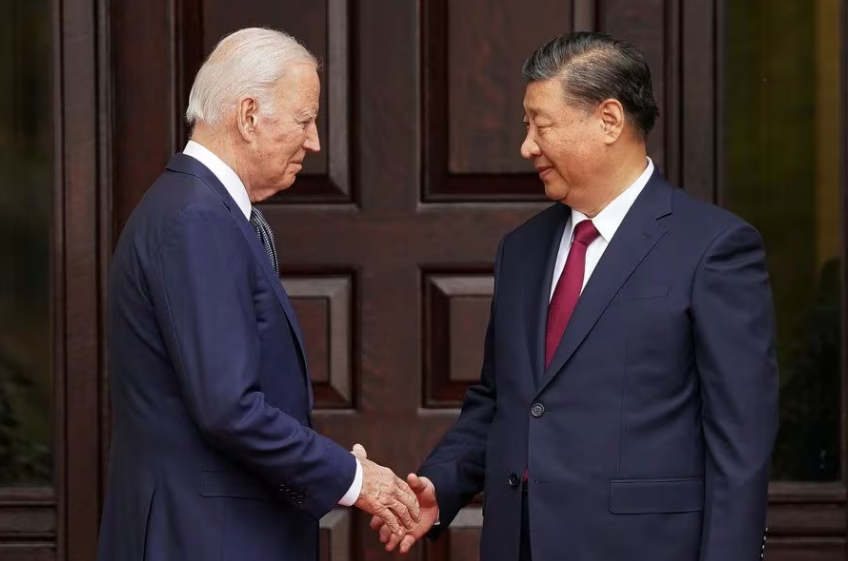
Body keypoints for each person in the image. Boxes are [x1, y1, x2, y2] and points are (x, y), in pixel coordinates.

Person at [370, 31, 778, 561]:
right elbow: (501, 400)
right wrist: (440, 486)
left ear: (609, 120)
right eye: (526, 126)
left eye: (541, 125)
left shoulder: (713, 248)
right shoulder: (522, 250)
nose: (527, 146)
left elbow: (739, 444)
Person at [96, 28, 419, 561]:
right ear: (248, 116)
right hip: (205, 538)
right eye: (304, 120)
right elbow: (229, 409)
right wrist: (358, 479)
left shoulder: (196, 207)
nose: (314, 141)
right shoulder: (197, 219)